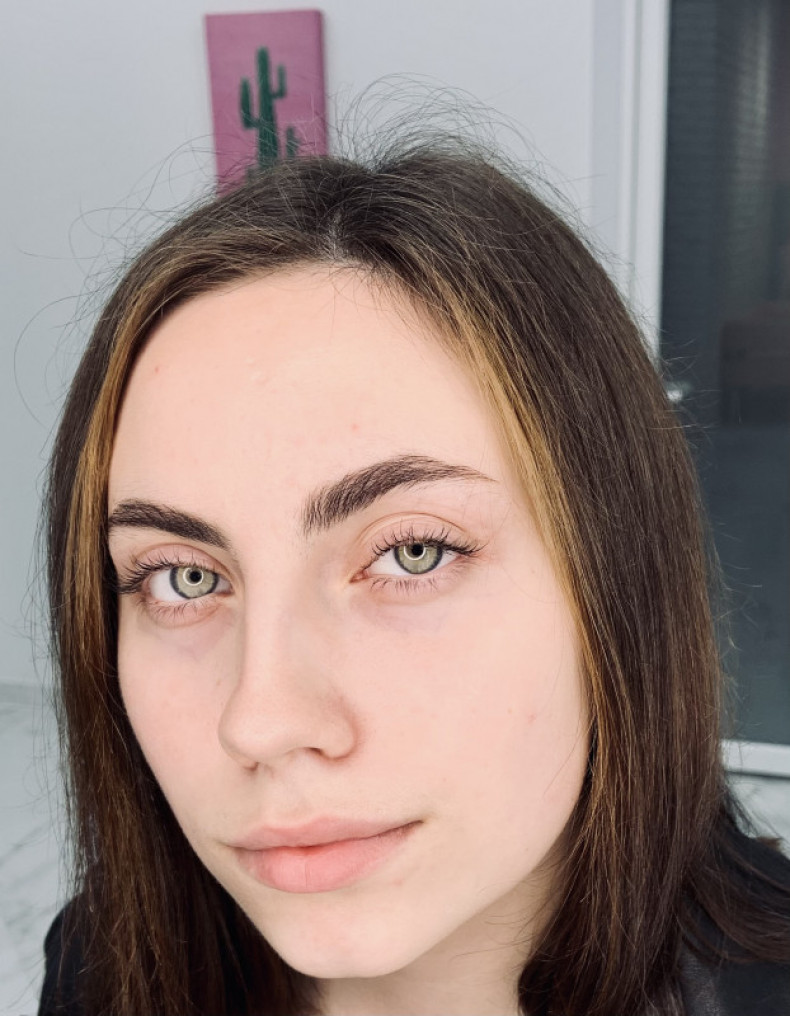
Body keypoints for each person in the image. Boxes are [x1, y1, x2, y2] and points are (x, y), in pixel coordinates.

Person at [38, 137, 790, 1016]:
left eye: (412, 554)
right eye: (183, 578)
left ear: (618, 583)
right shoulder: (100, 965)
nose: (262, 722)